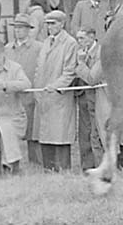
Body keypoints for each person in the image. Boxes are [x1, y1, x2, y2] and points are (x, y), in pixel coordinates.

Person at [34, 10, 77, 171]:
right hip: (44, 95)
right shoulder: (46, 42)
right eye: (48, 24)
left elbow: (70, 71)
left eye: (53, 23)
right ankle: (48, 170)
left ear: (62, 24)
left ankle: (64, 169)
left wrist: (55, 86)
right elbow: (39, 69)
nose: (50, 27)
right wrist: (38, 90)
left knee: (61, 135)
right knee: (45, 134)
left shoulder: (70, 43)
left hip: (60, 96)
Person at [0, 38, 31, 174]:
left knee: (8, 132)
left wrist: (6, 85)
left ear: (3, 54)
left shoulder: (14, 67)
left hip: (12, 115)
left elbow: (26, 84)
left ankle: (11, 169)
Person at [5, 13, 43, 165]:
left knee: (33, 132)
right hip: (12, 96)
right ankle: (11, 165)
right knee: (10, 132)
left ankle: (36, 164)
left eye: (21, 28)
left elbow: (41, 70)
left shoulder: (38, 48)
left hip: (31, 95)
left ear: (29, 30)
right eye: (16, 28)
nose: (18, 31)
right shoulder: (8, 48)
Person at [73, 27, 103, 171]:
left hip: (100, 98)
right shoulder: (81, 52)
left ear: (92, 37)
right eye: (78, 39)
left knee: (97, 134)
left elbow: (92, 78)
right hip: (84, 96)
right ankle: (88, 166)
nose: (79, 42)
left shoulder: (100, 53)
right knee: (86, 132)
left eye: (82, 38)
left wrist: (81, 64)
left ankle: (101, 166)